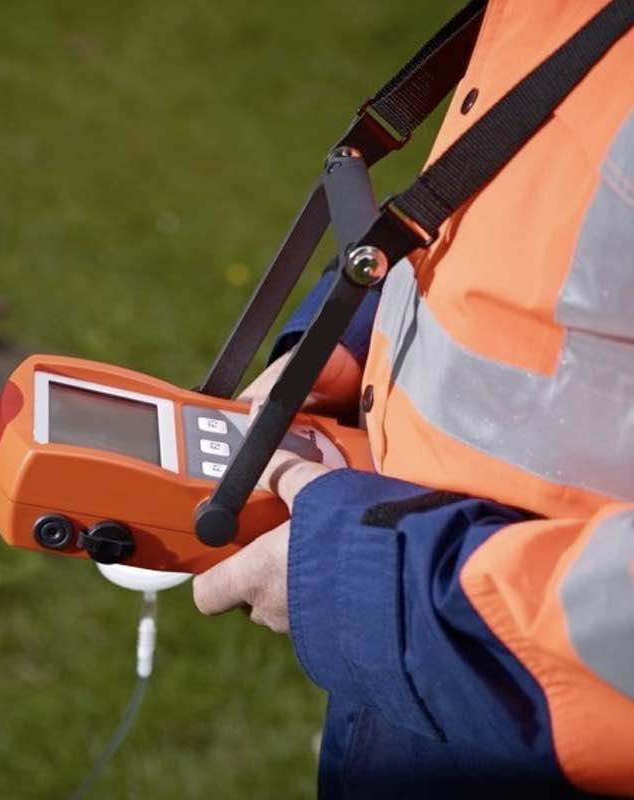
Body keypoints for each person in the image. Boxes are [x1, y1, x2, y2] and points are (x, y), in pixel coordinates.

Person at [191, 1, 634, 797]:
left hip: (520, 710)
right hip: (426, 678)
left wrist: (371, 583)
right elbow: (511, 228)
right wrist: (340, 343)